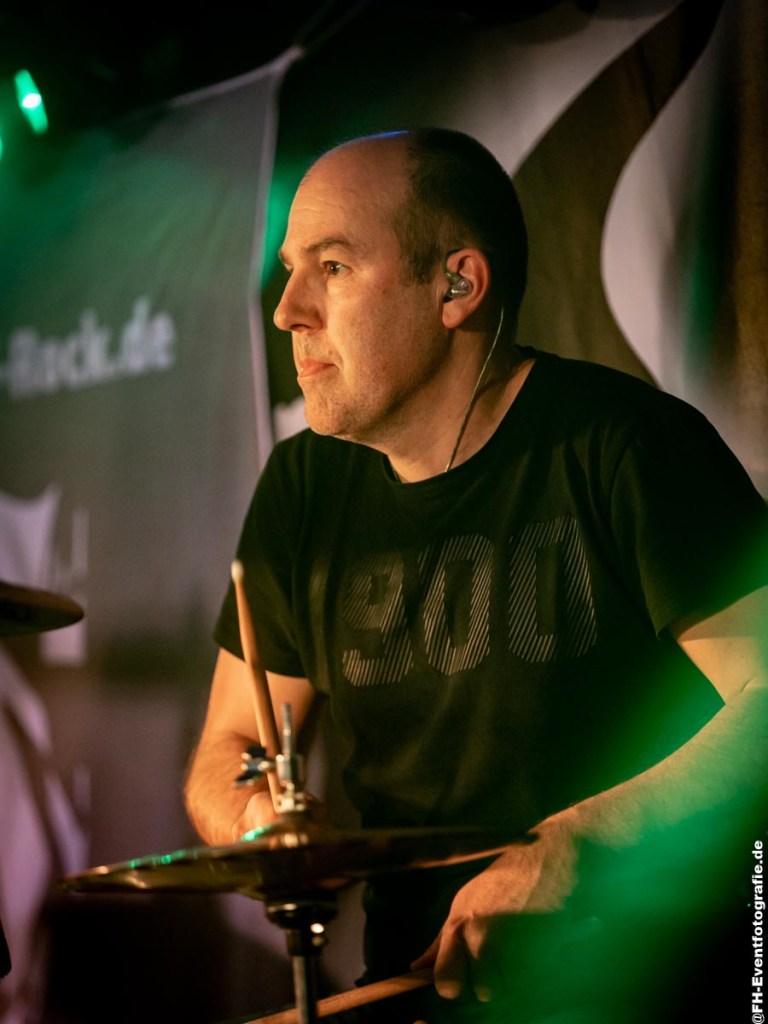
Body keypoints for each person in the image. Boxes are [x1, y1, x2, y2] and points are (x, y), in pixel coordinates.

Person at [184, 127, 768, 1023]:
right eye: (292, 270)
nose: (288, 310)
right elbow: (227, 747)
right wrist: (266, 824)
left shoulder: (626, 446)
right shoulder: (304, 486)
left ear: (457, 285)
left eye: (332, 268)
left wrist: (575, 848)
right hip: (417, 988)